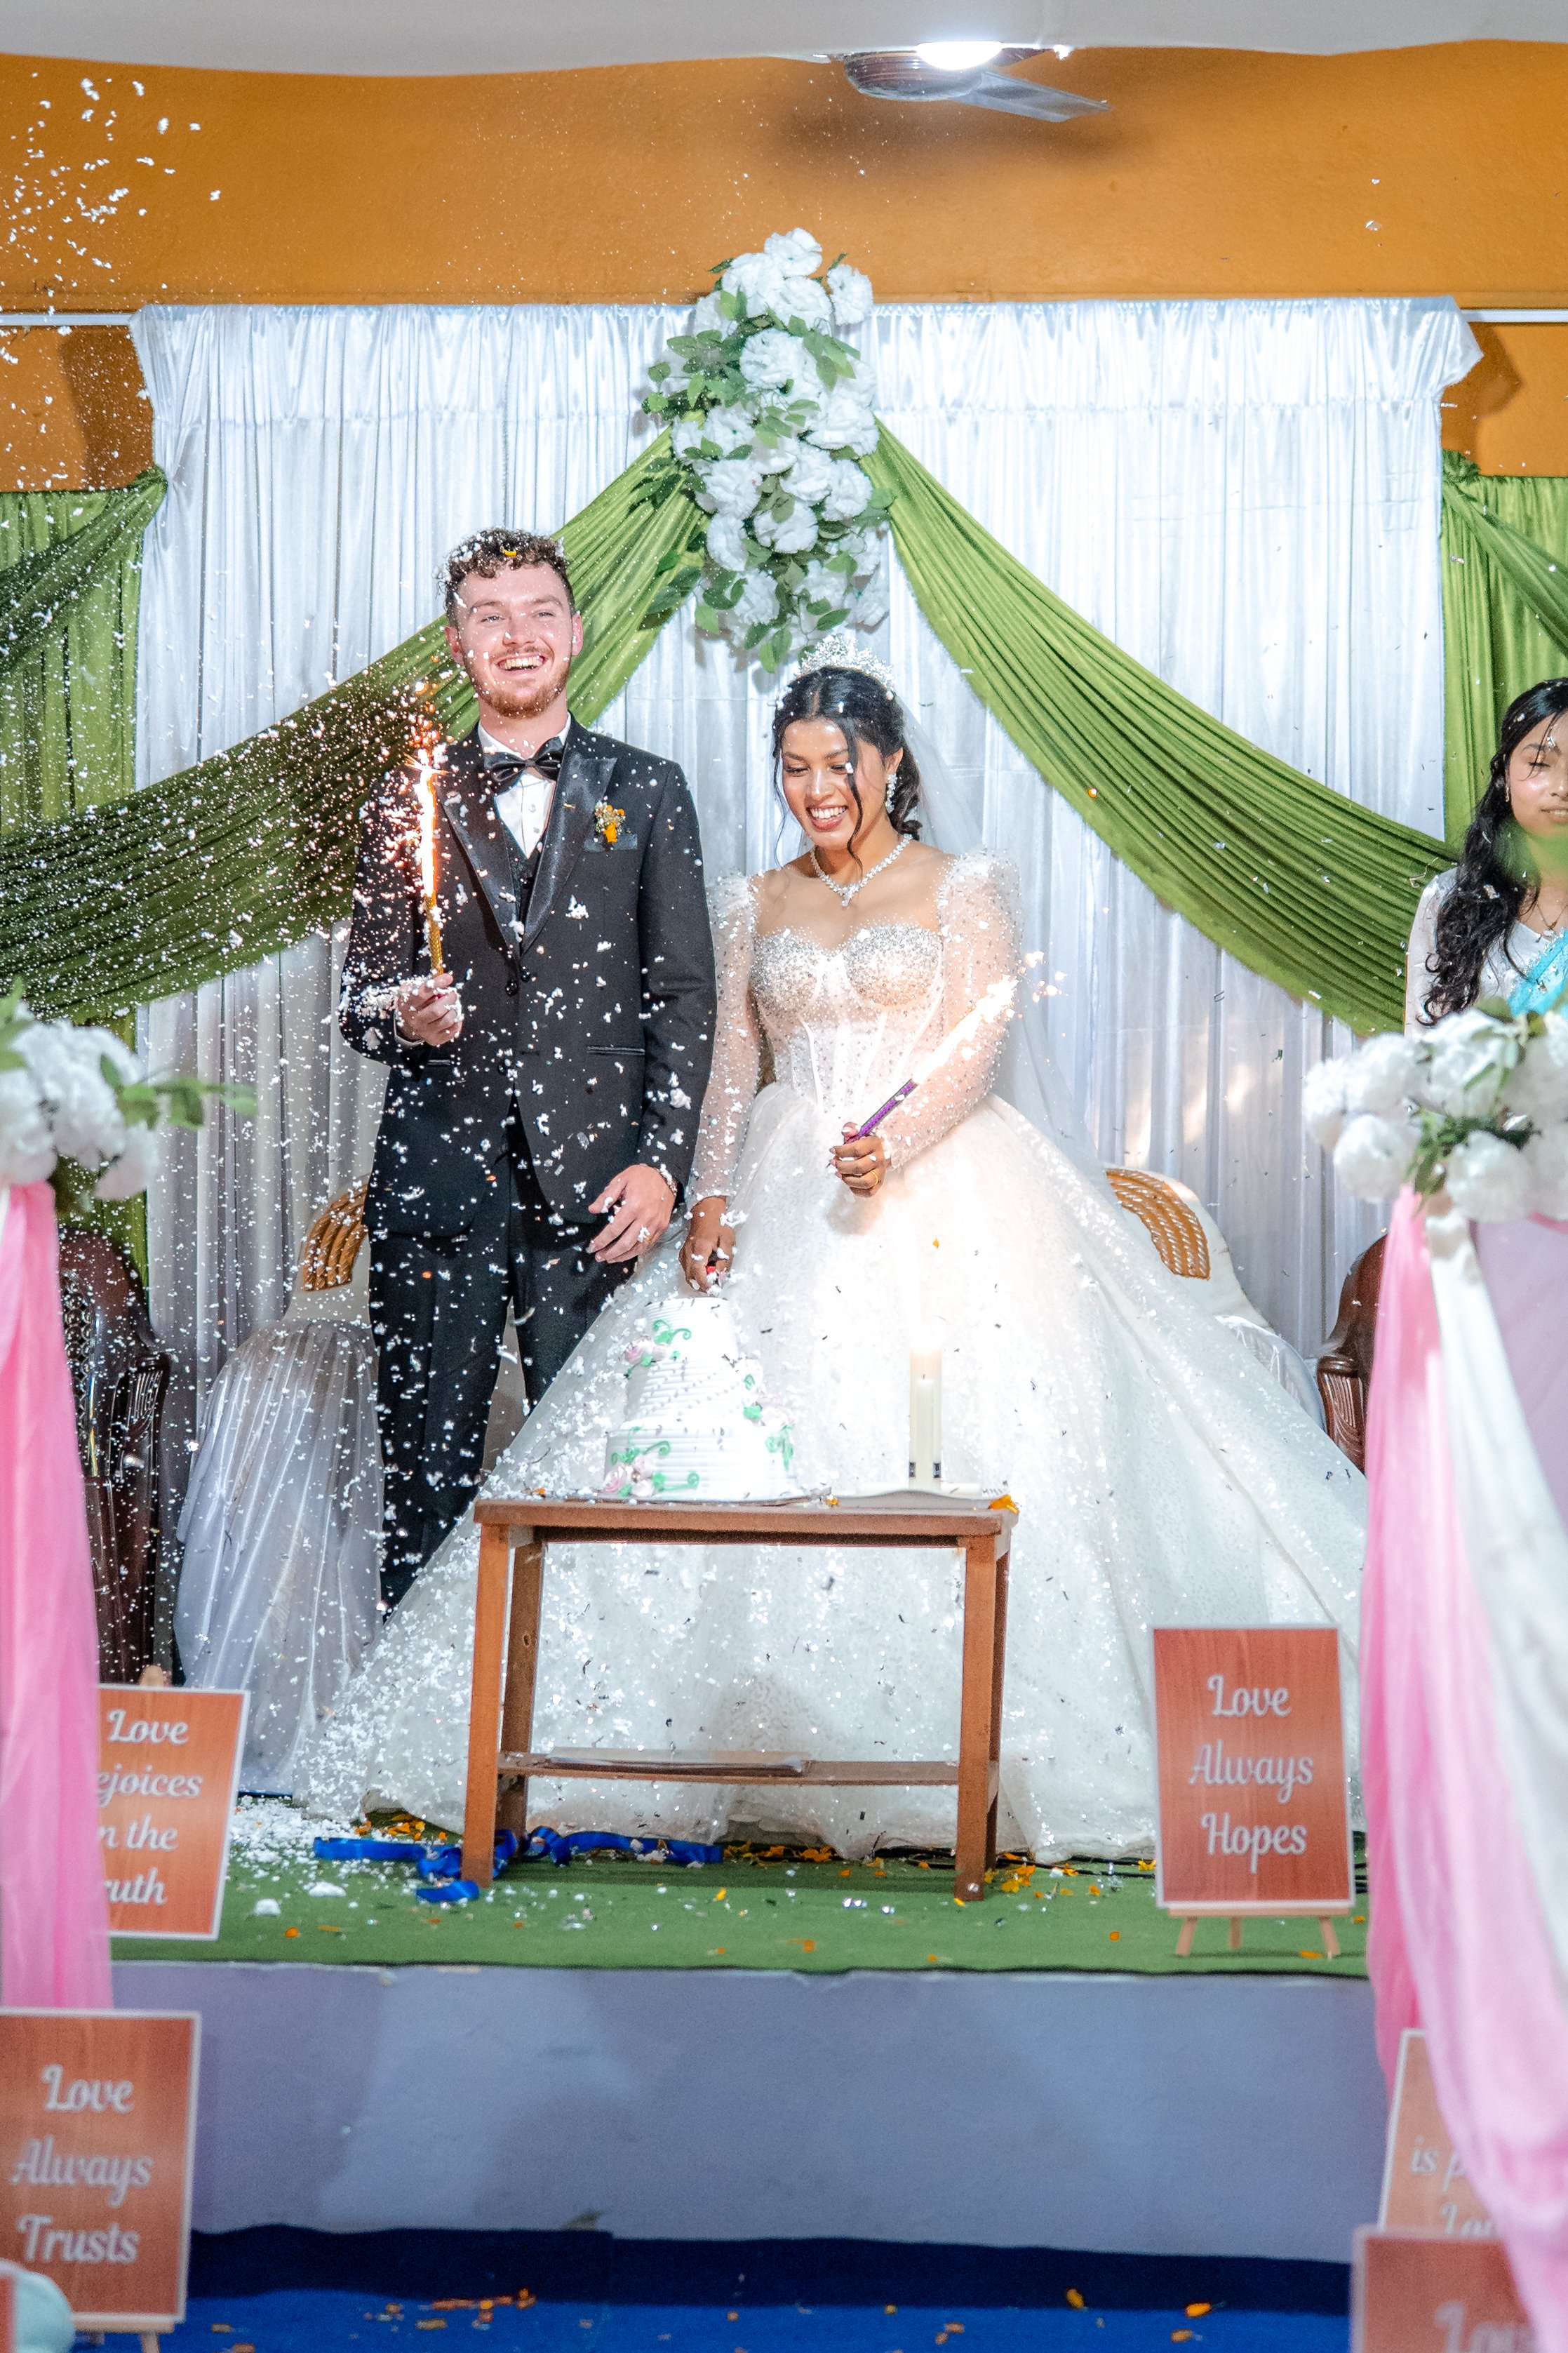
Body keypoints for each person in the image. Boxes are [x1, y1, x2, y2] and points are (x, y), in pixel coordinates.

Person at [301, 648, 1364, 1860]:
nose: (816, 789)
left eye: (838, 765)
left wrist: (894, 1140)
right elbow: (729, 1066)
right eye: (795, 767)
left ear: (890, 763)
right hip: (783, 1173)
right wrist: (711, 1194)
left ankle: (958, 1740)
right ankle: (718, 1738)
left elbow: (972, 1043)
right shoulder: (755, 900)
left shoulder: (964, 887)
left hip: (944, 1183)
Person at [340, 531, 716, 1606]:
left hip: (596, 1191)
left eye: (540, 611)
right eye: (491, 616)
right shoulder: (404, 796)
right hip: (436, 1189)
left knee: (596, 1482)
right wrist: (406, 1018)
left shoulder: (647, 790)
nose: (518, 634)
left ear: (575, 633)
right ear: (458, 644)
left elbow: (683, 995)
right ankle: (419, 1713)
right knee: (425, 1487)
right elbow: (358, 1001)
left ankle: (582, 1706)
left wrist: (661, 1165)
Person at [1407, 677, 1568, 1027]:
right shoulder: (1452, 901)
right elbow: (1424, 1046)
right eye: (1539, 764)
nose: (1562, 787)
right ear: (1506, 777)